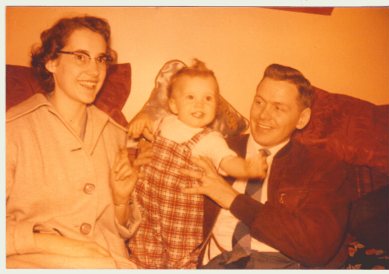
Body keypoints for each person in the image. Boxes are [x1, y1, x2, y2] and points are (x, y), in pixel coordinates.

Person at [181, 63, 354, 269]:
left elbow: (317, 247)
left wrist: (233, 199)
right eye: (259, 102)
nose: (263, 115)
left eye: (278, 107)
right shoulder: (215, 148)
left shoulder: (324, 167)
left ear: (302, 118)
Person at [6, 15, 142, 268]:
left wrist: (121, 200)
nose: (94, 71)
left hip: (106, 260)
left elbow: (117, 231)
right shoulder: (12, 129)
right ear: (51, 62)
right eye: (80, 56)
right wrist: (50, 243)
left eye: (101, 59)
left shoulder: (115, 134)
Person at [126, 59, 268, 268]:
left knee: (179, 263)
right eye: (190, 97)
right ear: (174, 104)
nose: (199, 104)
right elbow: (149, 127)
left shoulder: (210, 139)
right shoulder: (166, 122)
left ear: (216, 106)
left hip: (180, 221)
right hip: (146, 211)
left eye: (208, 98)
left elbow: (227, 161)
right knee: (141, 257)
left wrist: (247, 168)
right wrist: (143, 120)